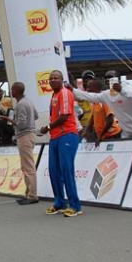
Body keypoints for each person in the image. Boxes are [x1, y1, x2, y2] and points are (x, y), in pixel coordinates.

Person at [39, 70, 82, 217]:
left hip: (67, 135)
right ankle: (59, 202)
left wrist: (48, 127)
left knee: (66, 170)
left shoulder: (64, 93)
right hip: (55, 137)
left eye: (56, 78)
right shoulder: (54, 95)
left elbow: (64, 116)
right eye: (50, 79)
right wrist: (49, 129)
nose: (52, 80)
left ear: (62, 80)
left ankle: (75, 205)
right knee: (53, 170)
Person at [73, 71, 132, 139]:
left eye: (111, 78)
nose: (108, 80)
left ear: (119, 79)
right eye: (106, 78)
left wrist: (121, 90)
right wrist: (71, 89)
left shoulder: (127, 88)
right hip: (128, 134)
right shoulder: (106, 95)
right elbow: (88, 96)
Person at [7, 82, 39, 205]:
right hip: (30, 134)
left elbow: (22, 124)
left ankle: (32, 195)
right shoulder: (28, 101)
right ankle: (29, 193)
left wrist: (11, 120)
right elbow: (35, 115)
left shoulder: (20, 104)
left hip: (24, 135)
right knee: (27, 166)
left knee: (28, 166)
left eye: (12, 89)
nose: (11, 91)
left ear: (16, 91)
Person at [83, 78, 121, 144]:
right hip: (103, 136)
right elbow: (92, 119)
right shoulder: (95, 102)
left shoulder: (105, 100)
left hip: (112, 135)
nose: (87, 90)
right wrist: (85, 132)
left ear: (96, 88)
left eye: (89, 87)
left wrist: (100, 136)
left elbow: (110, 121)